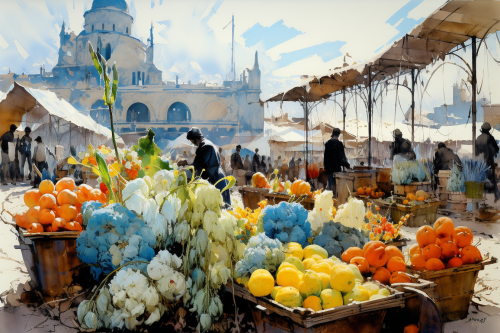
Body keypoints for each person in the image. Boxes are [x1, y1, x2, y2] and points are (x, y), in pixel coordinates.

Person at [178, 127, 231, 206]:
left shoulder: (204, 146)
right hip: (217, 175)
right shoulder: (206, 144)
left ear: (195, 138)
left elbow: (197, 165)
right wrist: (186, 162)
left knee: (222, 206)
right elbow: (199, 162)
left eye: (191, 140)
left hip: (215, 178)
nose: (192, 142)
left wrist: (186, 170)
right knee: (222, 205)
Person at [475, 122, 500, 201]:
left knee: (481, 180)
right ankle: (496, 196)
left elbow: (476, 152)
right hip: (488, 162)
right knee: (493, 179)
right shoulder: (490, 137)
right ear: (488, 130)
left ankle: (481, 197)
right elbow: (496, 149)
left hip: (479, 163)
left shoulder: (478, 138)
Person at [324, 128, 351, 193]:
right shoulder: (339, 144)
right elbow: (342, 158)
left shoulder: (327, 143)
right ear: (338, 135)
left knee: (330, 189)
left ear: (332, 133)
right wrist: (347, 165)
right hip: (337, 170)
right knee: (337, 189)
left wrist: (326, 168)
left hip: (329, 170)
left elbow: (325, 158)